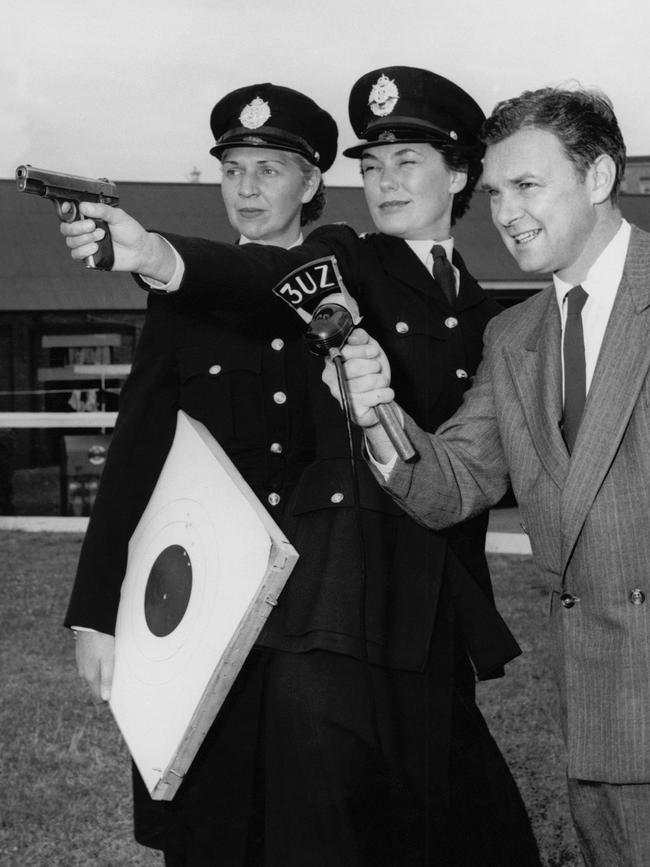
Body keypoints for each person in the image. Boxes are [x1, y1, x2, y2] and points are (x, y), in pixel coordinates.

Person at [62, 68, 539, 865]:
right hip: (312, 604)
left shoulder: (496, 321)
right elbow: (263, 282)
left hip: (425, 611)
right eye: (373, 165)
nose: (384, 181)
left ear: (460, 175)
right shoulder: (346, 258)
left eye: (407, 162)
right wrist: (153, 254)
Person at [324, 84, 650, 867]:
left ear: (600, 177)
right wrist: (375, 411)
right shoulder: (514, 336)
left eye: (528, 186)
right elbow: (455, 481)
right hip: (603, 716)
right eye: (497, 191)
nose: (506, 212)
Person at [65, 81, 337, 866]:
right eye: (232, 170)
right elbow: (137, 453)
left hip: (321, 603)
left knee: (315, 824)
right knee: (207, 827)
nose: (247, 189)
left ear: (312, 183)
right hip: (204, 605)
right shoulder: (179, 300)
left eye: (271, 170)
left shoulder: (346, 276)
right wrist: (96, 610)